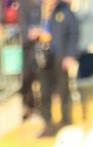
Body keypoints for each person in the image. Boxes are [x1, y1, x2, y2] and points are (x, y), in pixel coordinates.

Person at [33, 0, 78, 136]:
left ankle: (65, 121)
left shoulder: (64, 11)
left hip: (60, 56)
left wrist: (70, 55)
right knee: (44, 91)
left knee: (63, 89)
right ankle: (48, 123)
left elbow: (74, 34)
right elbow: (25, 27)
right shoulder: (36, 10)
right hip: (42, 58)